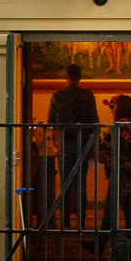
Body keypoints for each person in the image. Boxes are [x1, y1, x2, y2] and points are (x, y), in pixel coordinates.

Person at [45, 62, 100, 227]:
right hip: (82, 142)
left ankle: (65, 221)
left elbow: (51, 122)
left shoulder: (58, 96)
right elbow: (94, 122)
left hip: (64, 143)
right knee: (81, 183)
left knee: (65, 183)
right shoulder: (87, 95)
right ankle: (81, 222)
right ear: (80, 77)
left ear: (66, 76)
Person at [98, 94, 131, 238]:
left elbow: (107, 146)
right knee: (130, 209)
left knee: (110, 208)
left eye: (115, 105)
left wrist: (97, 141)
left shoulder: (120, 126)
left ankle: (102, 241)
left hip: (122, 172)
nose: (113, 108)